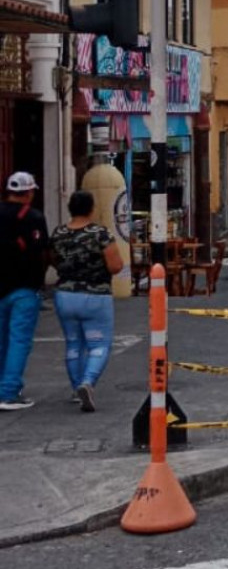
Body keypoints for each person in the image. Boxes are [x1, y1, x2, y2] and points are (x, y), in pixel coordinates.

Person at [49, 191, 123, 412]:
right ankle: (88, 382)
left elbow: (52, 259)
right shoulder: (100, 234)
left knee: (73, 344)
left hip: (64, 294)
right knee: (98, 344)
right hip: (95, 295)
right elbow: (115, 265)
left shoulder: (58, 233)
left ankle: (76, 388)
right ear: (91, 208)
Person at [0, 172, 49, 411]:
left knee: (1, 340)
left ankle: (4, 387)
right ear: (29, 192)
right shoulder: (34, 217)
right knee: (19, 340)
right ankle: (8, 392)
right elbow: (43, 250)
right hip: (25, 287)